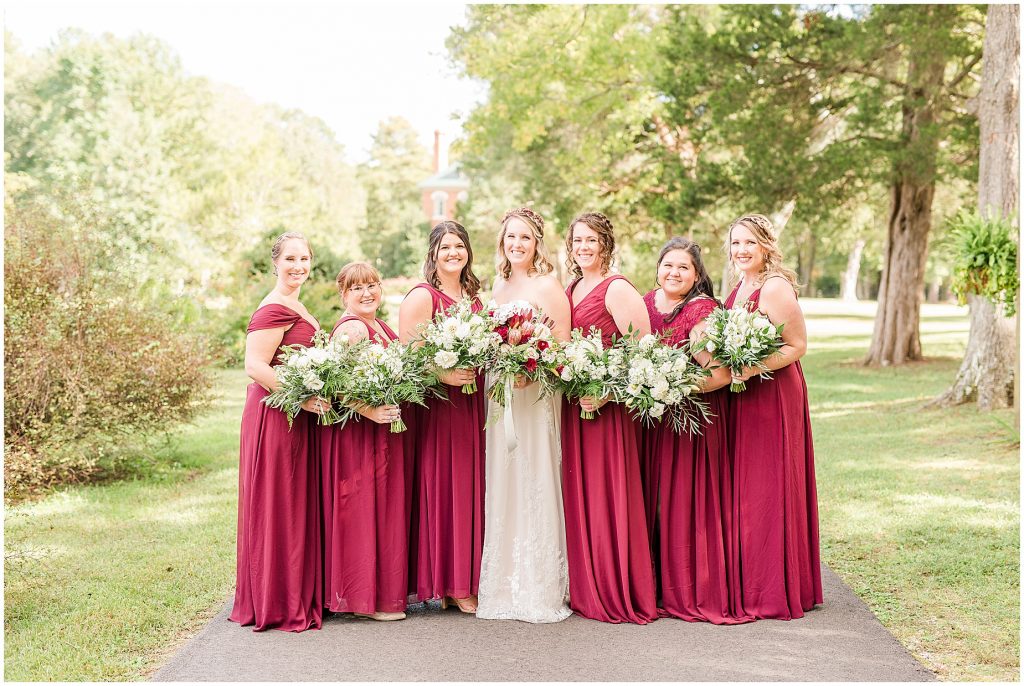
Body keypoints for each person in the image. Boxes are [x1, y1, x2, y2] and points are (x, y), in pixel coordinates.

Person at [640, 237, 751, 624]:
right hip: (650, 422)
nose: (674, 273)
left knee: (682, 503)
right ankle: (649, 585)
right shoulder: (644, 302)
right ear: (658, 268)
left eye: (683, 268)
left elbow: (719, 375)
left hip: (689, 424)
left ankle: (686, 587)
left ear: (697, 275)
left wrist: (672, 386)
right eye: (668, 265)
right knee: (650, 500)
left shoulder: (702, 313)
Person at [560, 211, 658, 624]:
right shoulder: (572, 286)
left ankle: (616, 587)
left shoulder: (617, 289)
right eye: (578, 240)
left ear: (606, 244)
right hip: (574, 406)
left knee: (608, 495)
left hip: (607, 410)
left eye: (591, 240)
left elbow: (643, 350)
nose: (584, 247)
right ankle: (585, 587)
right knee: (579, 496)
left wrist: (603, 392)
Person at [723, 213, 822, 620]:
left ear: (766, 244)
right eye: (736, 243)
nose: (742, 250)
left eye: (750, 242)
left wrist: (749, 369)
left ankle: (774, 588)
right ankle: (752, 580)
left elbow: (797, 345)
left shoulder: (775, 286)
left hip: (773, 394)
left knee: (769, 485)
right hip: (746, 395)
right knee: (748, 488)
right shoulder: (739, 286)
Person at [476, 207, 572, 623]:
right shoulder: (497, 285)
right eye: (510, 237)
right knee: (504, 476)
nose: (516, 244)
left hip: (535, 397)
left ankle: (540, 585)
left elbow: (564, 349)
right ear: (502, 241)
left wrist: (532, 369)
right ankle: (502, 583)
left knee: (534, 475)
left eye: (525, 238)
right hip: (500, 395)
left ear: (537, 244)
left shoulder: (548, 286)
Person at [229, 231, 326, 632]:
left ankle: (293, 591)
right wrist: (300, 399)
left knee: (292, 502)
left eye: (304, 259)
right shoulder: (272, 308)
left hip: (292, 415)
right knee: (279, 503)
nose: (298, 267)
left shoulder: (295, 303)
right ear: (275, 263)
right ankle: (277, 600)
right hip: (275, 415)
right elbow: (255, 366)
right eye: (290, 259)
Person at [398, 220, 486, 613]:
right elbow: (408, 355)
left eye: (459, 246)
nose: (454, 253)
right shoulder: (423, 296)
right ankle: (453, 583)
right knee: (450, 486)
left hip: (475, 402)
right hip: (442, 407)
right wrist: (444, 373)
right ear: (433, 253)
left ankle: (468, 576)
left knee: (473, 486)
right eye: (446, 247)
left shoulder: (474, 294)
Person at [321, 262, 407, 621]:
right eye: (357, 288)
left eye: (373, 285)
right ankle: (362, 599)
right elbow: (333, 385)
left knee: (384, 509)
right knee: (362, 509)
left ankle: (385, 592)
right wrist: (368, 410)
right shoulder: (352, 329)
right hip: (359, 433)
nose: (368, 293)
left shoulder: (380, 327)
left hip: (384, 432)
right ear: (344, 295)